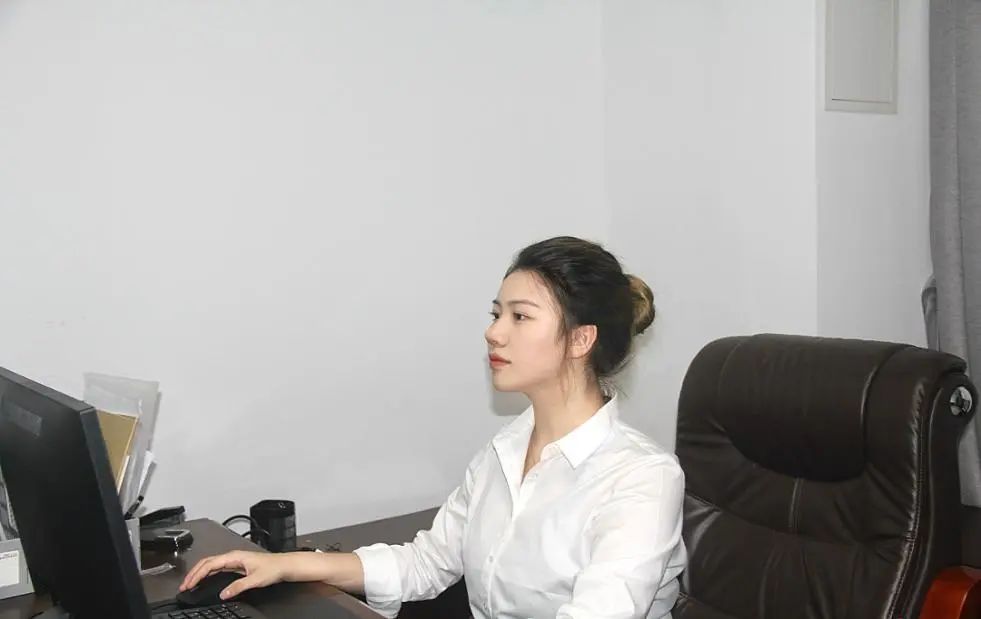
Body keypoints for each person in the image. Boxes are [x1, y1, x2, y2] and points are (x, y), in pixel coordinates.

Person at [179, 236, 687, 618]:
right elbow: (426, 563)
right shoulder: (506, 450)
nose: (493, 332)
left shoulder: (642, 478)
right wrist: (286, 565)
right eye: (496, 314)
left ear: (580, 340)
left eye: (520, 317)